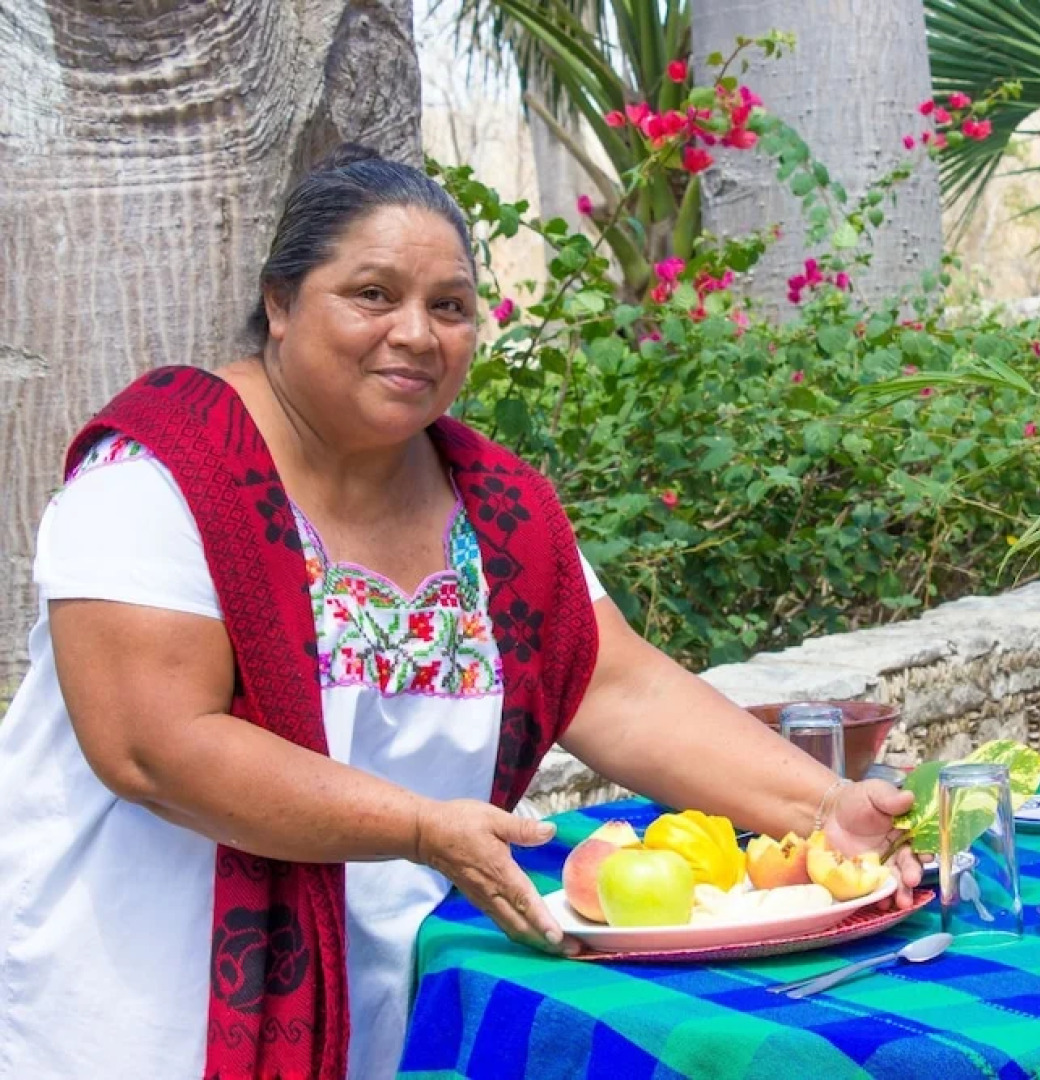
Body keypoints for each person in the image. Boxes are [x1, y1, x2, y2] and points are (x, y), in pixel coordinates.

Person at [0, 145, 921, 1080]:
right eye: (372, 294)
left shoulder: (494, 506)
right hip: (135, 1012)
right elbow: (155, 747)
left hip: (398, 1000)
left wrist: (823, 809)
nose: (416, 333)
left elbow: (623, 691)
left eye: (449, 307)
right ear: (279, 303)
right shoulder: (157, 483)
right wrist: (419, 827)